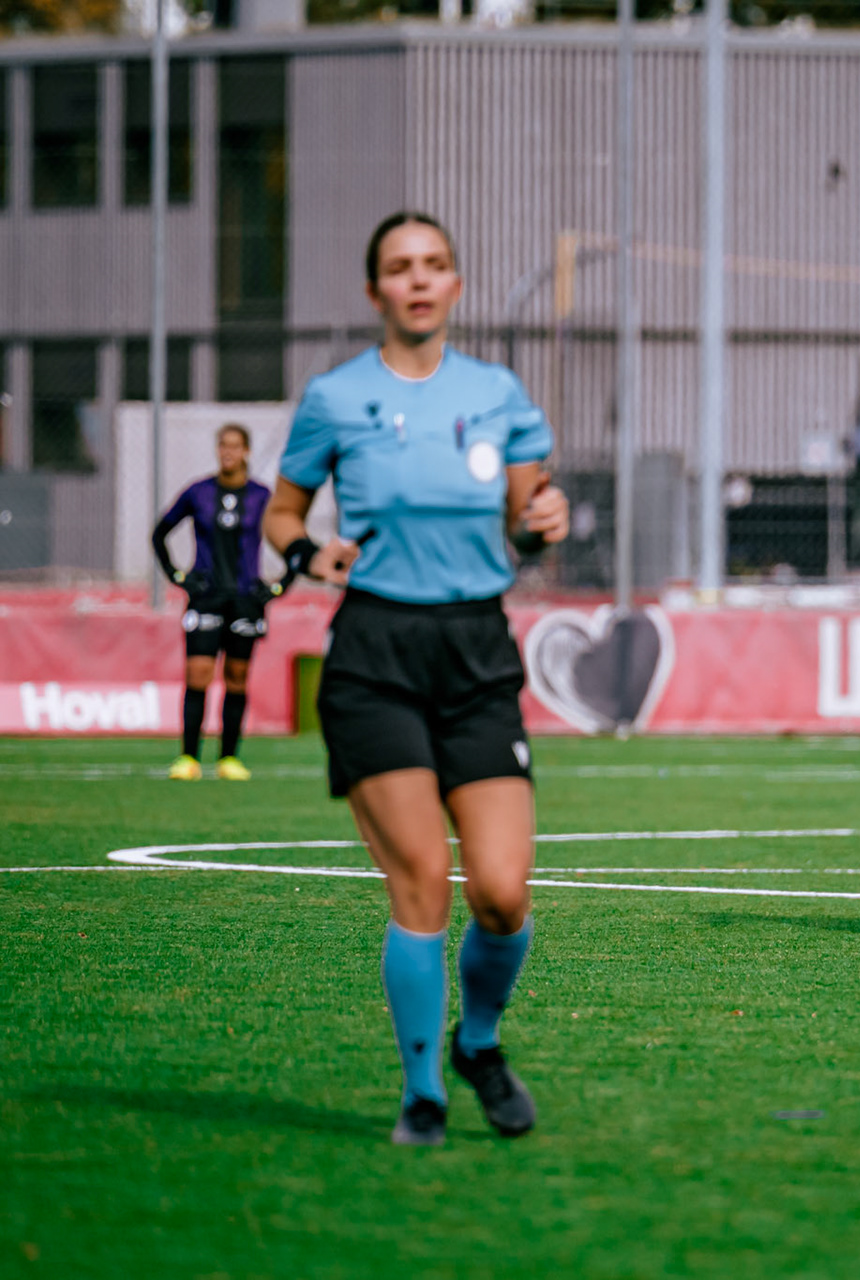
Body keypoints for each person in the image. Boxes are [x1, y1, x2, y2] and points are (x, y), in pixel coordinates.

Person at [263, 211, 570, 1146]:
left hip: (476, 654)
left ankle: (479, 1042)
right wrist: (311, 553)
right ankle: (422, 1092)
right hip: (375, 658)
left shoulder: (499, 391)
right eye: (400, 268)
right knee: (421, 884)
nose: (419, 280)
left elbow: (527, 516)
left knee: (505, 894)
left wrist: (543, 519)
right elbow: (282, 514)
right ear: (376, 292)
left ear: (456, 285)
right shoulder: (333, 397)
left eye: (435, 265)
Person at [152, 424, 273, 782]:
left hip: (244, 600)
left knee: (237, 677)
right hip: (206, 597)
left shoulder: (262, 496)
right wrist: (177, 576)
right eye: (223, 446)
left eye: (235, 446)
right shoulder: (199, 492)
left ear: (247, 451)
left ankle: (229, 759)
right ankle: (188, 757)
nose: (228, 452)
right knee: (198, 675)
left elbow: (289, 536)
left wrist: (279, 585)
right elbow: (160, 532)